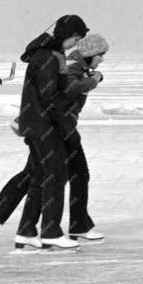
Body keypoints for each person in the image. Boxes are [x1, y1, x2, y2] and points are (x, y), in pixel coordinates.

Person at [0, 34, 108, 247]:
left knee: (36, 174)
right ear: (91, 53)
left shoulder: (77, 66)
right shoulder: (74, 68)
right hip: (56, 128)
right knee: (67, 174)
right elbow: (66, 91)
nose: (102, 59)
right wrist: (94, 80)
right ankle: (69, 226)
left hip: (56, 126)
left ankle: (30, 228)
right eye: (101, 54)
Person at [15, 15, 89, 251]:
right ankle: (51, 231)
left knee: (39, 176)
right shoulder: (48, 57)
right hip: (44, 125)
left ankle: (26, 231)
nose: (75, 44)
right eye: (75, 38)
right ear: (66, 35)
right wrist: (66, 122)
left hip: (36, 123)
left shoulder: (46, 53)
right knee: (56, 174)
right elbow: (50, 97)